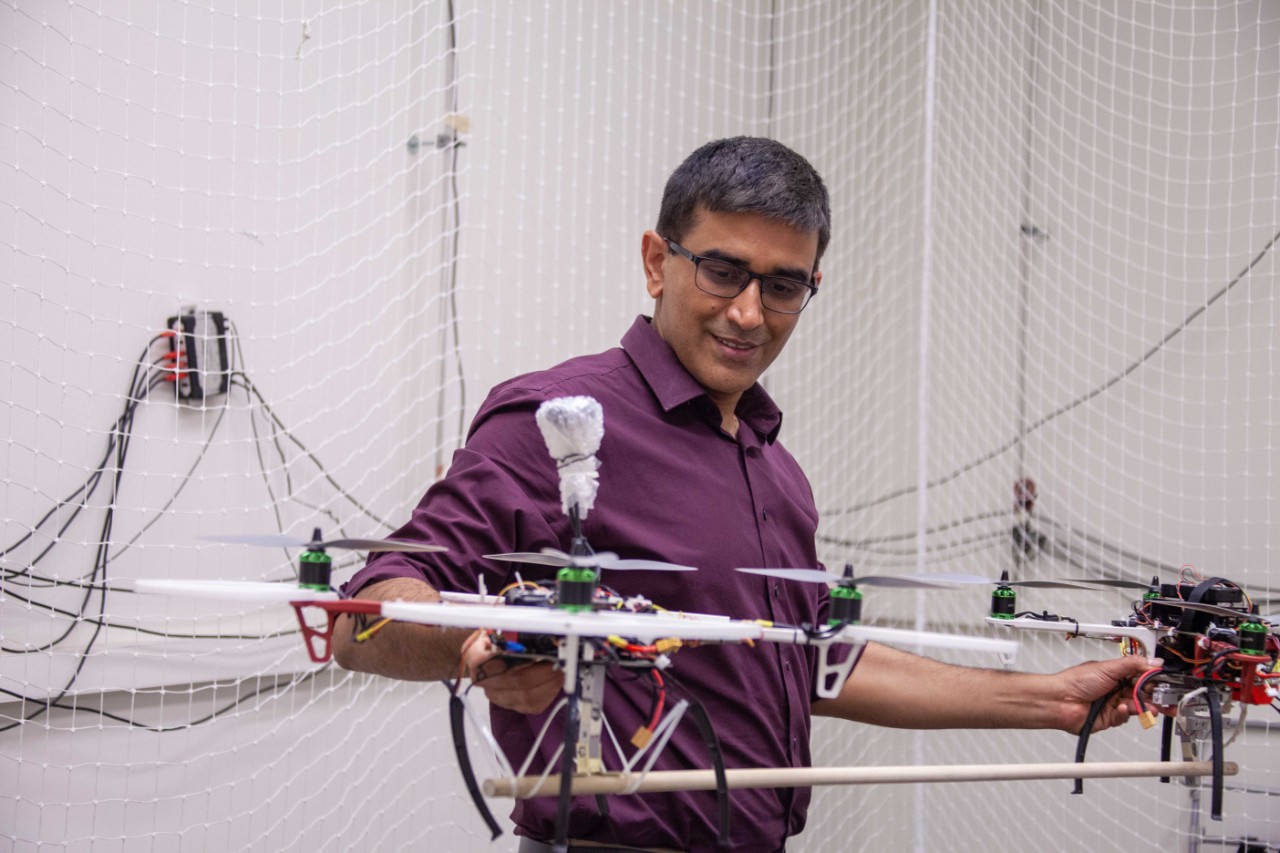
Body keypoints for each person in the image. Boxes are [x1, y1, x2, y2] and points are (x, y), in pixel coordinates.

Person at [333, 137, 1152, 853]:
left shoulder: (774, 467)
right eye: (722, 271)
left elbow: (815, 660)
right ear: (658, 261)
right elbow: (371, 608)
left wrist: (1050, 700)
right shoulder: (560, 420)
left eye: (785, 285)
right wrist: (481, 643)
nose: (750, 313)